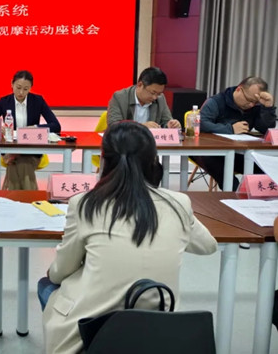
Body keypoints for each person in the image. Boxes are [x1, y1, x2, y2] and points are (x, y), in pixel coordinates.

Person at [38, 121, 217, 354]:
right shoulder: (178, 203)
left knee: (47, 285)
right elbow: (208, 246)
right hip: (159, 326)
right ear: (153, 160)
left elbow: (61, 271)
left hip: (94, 329)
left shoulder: (85, 203)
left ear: (104, 160)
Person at [0, 70, 61, 190]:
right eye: (18, 87)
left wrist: (35, 128)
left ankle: (11, 197)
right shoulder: (4, 101)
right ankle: (30, 198)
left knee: (18, 163)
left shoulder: (37, 101)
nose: (21, 92)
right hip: (11, 149)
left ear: (31, 88)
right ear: (12, 84)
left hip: (32, 151)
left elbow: (56, 125)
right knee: (19, 163)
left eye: (25, 89)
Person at [193, 76, 276, 188]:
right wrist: (230, 129)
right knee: (228, 179)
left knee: (266, 170)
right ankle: (234, 195)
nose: (251, 105)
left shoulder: (255, 106)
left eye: (255, 102)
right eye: (249, 100)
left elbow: (265, 129)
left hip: (239, 151)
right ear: (239, 89)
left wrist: (267, 108)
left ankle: (258, 196)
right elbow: (201, 124)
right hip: (211, 150)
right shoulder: (217, 101)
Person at [107, 67, 182, 129]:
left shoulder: (160, 98)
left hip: (150, 142)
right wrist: (141, 127)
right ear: (140, 85)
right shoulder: (119, 97)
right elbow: (114, 126)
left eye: (158, 94)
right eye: (152, 93)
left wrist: (171, 125)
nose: (155, 97)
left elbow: (166, 121)